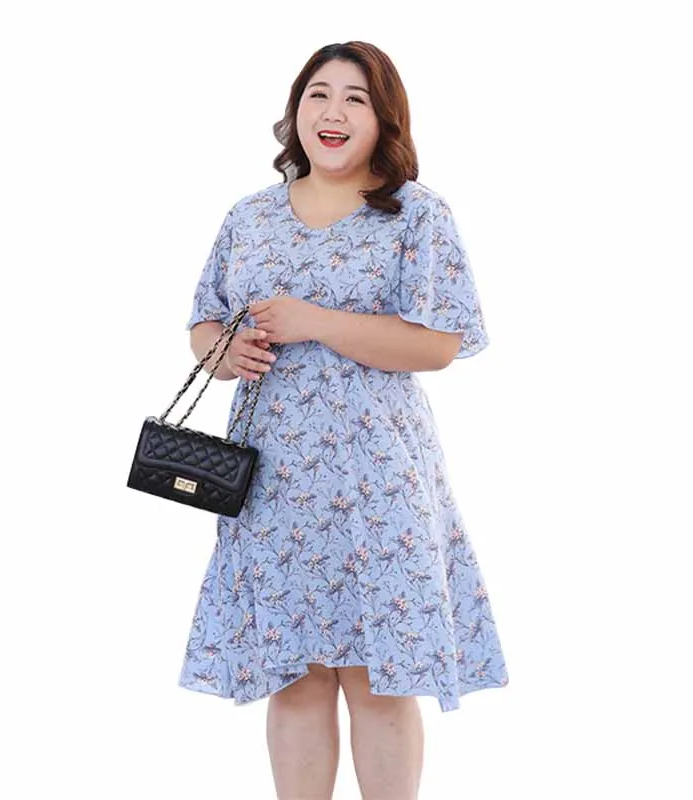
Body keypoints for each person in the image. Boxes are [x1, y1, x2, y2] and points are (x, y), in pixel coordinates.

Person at [181, 41, 509, 800]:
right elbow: (202, 324)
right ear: (295, 112)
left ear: (384, 118)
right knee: (293, 674)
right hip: (272, 481)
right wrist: (225, 351)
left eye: (355, 98)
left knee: (378, 675)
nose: (333, 112)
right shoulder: (250, 216)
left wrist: (316, 322)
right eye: (318, 95)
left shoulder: (416, 214)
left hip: (380, 480)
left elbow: (441, 343)